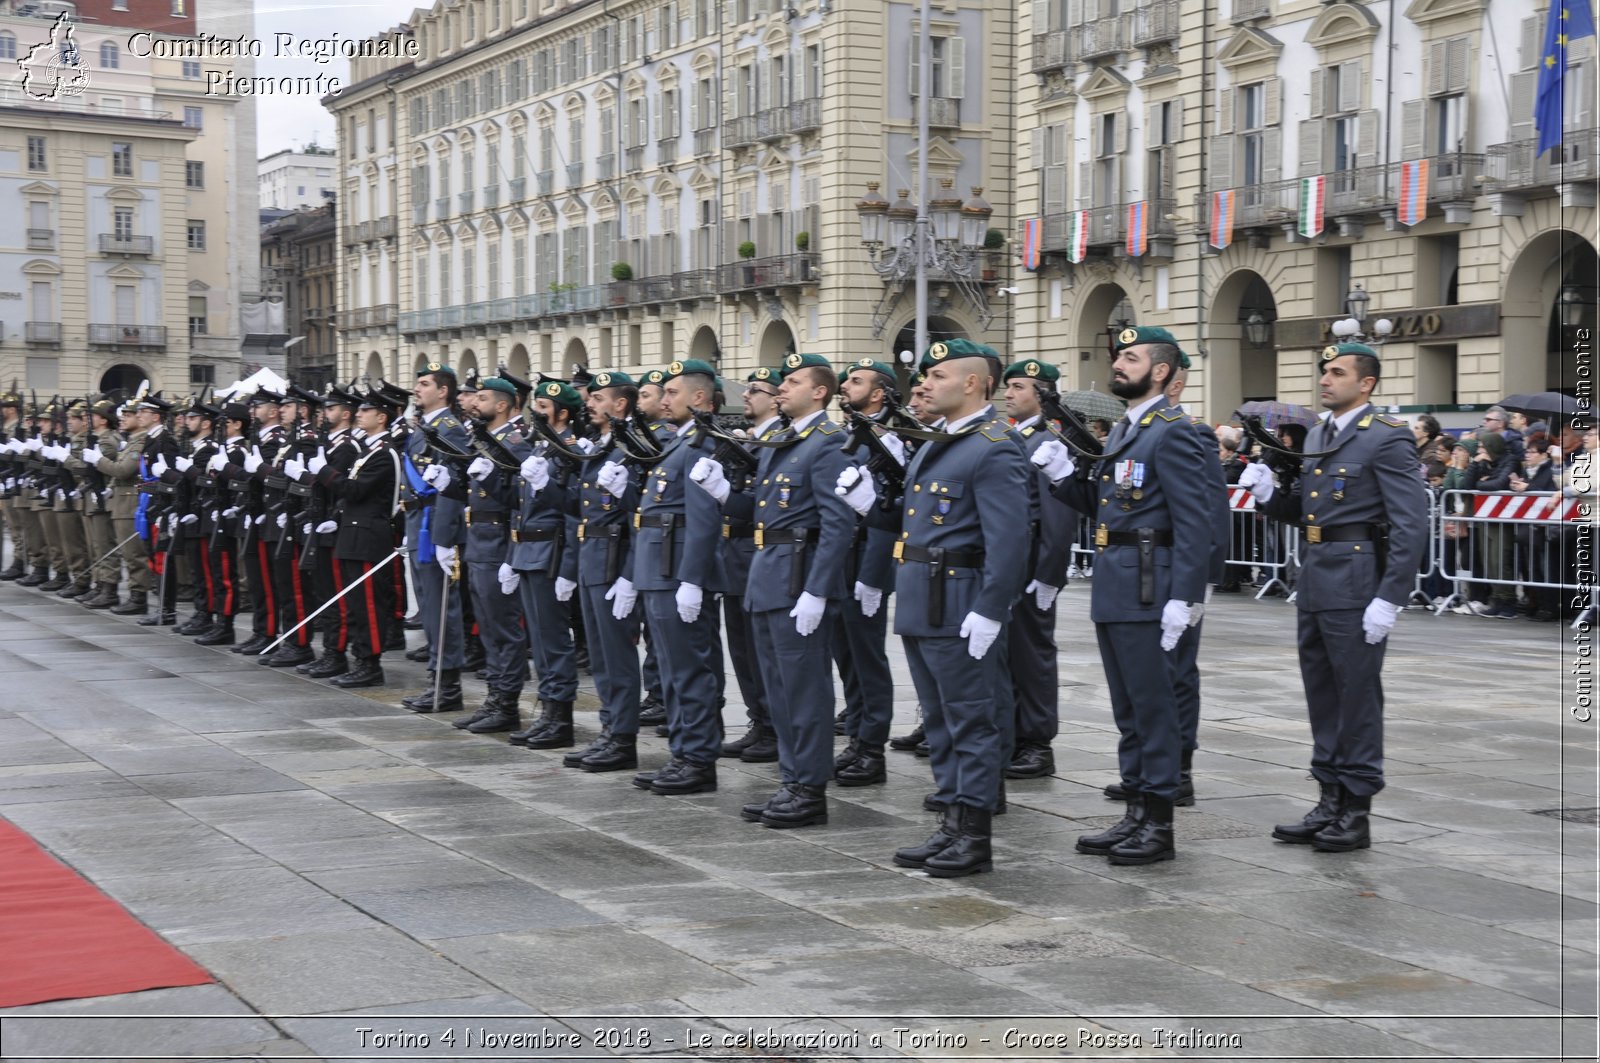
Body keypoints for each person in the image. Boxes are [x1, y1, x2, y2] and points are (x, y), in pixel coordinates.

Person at [839, 338, 1030, 876]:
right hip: (925, 596)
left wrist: (992, 608)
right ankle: (950, 821)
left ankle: (974, 834)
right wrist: (871, 506)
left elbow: (1010, 539)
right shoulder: (937, 442)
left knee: (971, 719)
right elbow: (914, 522)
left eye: (939, 375)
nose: (925, 384)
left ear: (972, 383)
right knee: (941, 722)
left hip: (961, 599)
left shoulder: (993, 444)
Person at [1032, 327, 1213, 865]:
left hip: (1149, 586)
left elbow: (1194, 522)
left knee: (1153, 708)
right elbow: (1113, 507)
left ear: (1160, 371)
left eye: (1131, 357)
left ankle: (1158, 823)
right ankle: (1135, 809)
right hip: (1118, 582)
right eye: (1119, 355)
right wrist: (1066, 477)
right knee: (1128, 708)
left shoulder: (1173, 431)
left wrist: (1185, 597)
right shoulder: (1126, 431)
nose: (1120, 363)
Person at [1239, 341, 1428, 852]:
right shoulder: (1321, 432)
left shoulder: (1386, 438)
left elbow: (1412, 524)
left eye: (1338, 372)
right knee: (1322, 693)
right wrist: (1268, 496)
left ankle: (1356, 809)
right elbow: (1308, 511)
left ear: (1365, 384)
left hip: (1357, 579)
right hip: (1316, 575)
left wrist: (1390, 597)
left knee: (1357, 696)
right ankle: (1329, 797)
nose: (1325, 379)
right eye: (1324, 371)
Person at [693, 352, 856, 827]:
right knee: (780, 692)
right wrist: (725, 495)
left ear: (820, 392)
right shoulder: (787, 440)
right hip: (768, 577)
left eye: (794, 382)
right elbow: (765, 515)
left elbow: (837, 525)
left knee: (804, 691)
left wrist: (818, 590)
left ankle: (809, 788)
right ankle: (792, 780)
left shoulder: (828, 442)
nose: (782, 388)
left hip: (797, 581)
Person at [608, 359, 727, 795]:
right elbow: (653, 514)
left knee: (690, 671)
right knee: (674, 673)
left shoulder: (699, 444)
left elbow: (702, 520)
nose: (664, 399)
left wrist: (692, 580)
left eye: (673, 392)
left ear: (698, 397)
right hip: (658, 572)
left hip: (676, 574)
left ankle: (698, 759)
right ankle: (683, 752)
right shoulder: (678, 444)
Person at [566, 371, 646, 771]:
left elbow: (640, 516)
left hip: (615, 558)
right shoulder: (601, 445)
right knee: (600, 656)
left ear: (620, 404)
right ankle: (609, 729)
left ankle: (623, 738)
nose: (590, 403)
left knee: (617, 656)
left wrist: (630, 574)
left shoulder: (633, 446)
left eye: (599, 397)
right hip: (592, 555)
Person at [998, 358, 1074, 780]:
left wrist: (1048, 575)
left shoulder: (1051, 441)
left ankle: (1036, 742)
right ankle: (1011, 733)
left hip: (1031, 562)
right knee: (1007, 652)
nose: (1009, 394)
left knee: (1032, 653)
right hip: (1009, 561)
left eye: (1019, 387)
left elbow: (1058, 517)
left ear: (1043, 395)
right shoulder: (1012, 438)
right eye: (1008, 386)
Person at [831, 358, 903, 786]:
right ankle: (856, 735)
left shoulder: (889, 438)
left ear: (878, 393)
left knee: (867, 659)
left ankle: (872, 747)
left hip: (865, 561)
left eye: (855, 382)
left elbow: (887, 509)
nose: (845, 386)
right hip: (841, 559)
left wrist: (874, 576)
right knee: (846, 657)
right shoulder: (851, 435)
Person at [315, 385, 406, 688]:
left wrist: (325, 472)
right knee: (355, 603)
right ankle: (360, 658)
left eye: (366, 411)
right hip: (353, 534)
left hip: (369, 537)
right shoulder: (368, 450)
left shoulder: (384, 453)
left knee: (369, 604)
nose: (360, 414)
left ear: (382, 417)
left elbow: (356, 490)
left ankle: (370, 664)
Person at [716, 367, 784, 765]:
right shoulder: (748, 439)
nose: (747, 396)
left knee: (761, 653)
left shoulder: (778, 441)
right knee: (741, 652)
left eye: (756, 390)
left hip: (755, 553)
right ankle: (758, 722)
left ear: (775, 399)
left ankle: (773, 726)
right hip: (734, 558)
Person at [400, 364, 471, 709]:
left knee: (442, 608)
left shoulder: (449, 429)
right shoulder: (425, 427)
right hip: (418, 523)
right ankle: (436, 680)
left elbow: (451, 486)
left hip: (433, 526)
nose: (418, 389)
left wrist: (444, 538)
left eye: (425, 384)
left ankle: (447, 687)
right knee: (428, 607)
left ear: (443, 391)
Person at [1413, 414, 1449, 486]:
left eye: (1416, 428)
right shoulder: (1412, 447)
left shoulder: (1432, 451)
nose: (1412, 430)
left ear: (1425, 433)